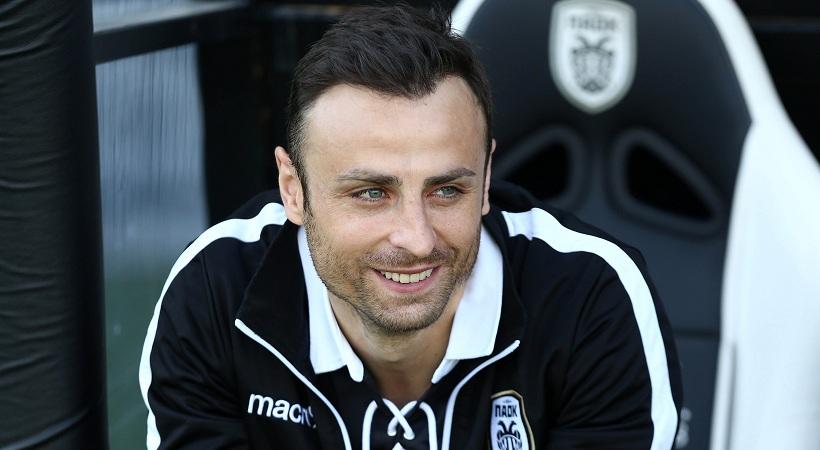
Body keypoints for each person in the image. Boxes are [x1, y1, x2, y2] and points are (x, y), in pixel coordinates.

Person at [139, 4, 682, 449]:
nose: (417, 238)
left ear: (486, 181)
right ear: (293, 190)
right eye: (371, 193)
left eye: (447, 191)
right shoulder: (215, 290)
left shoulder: (591, 296)